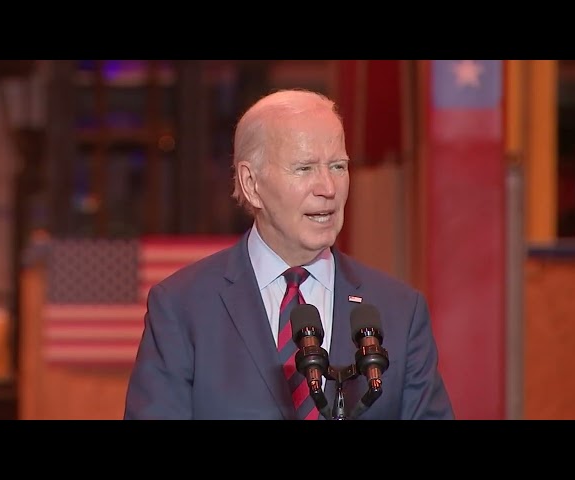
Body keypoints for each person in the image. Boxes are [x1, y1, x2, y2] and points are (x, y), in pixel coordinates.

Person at [124, 88, 454, 420]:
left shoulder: (400, 311)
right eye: (305, 168)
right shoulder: (182, 308)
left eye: (338, 166)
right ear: (251, 183)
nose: (328, 187)